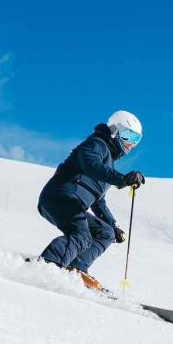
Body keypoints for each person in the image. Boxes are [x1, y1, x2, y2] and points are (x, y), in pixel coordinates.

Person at [30, 110, 146, 291]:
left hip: (73, 202)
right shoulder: (96, 144)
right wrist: (122, 179)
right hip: (60, 196)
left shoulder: (109, 163)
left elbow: (98, 201)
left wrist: (113, 226)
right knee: (81, 235)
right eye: (129, 135)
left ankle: (75, 268)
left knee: (105, 232)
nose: (131, 143)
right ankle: (47, 264)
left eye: (136, 139)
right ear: (115, 130)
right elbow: (90, 165)